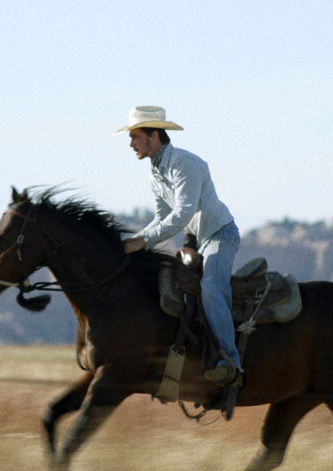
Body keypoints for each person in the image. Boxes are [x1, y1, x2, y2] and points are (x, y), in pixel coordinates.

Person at [116, 105, 241, 385]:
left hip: (220, 234)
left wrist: (142, 241)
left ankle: (230, 363)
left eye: (135, 135)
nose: (130, 143)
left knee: (210, 290)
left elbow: (182, 213)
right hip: (196, 239)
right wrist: (133, 242)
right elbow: (161, 218)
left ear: (154, 135)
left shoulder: (185, 163)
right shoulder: (156, 174)